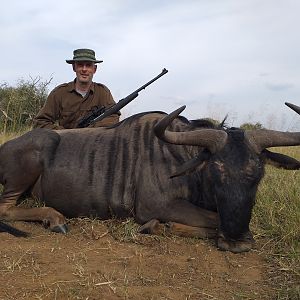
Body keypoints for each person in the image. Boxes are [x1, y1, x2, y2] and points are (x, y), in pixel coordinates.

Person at [33, 48, 120, 129]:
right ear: (74, 68)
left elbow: (114, 117)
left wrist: (90, 129)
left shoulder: (103, 92)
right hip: (66, 143)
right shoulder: (59, 93)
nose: (84, 69)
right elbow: (40, 122)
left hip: (93, 142)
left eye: (88, 65)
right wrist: (65, 134)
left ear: (94, 69)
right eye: (80, 65)